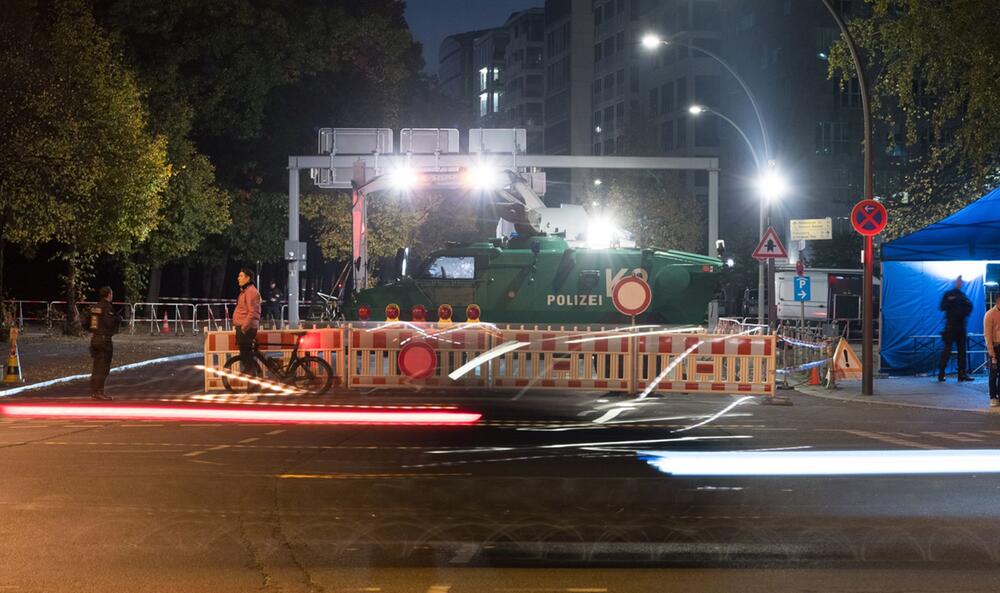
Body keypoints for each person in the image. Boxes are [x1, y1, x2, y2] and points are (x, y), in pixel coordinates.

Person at [939, 276, 974, 382]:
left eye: (961, 281)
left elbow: (969, 307)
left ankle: (961, 374)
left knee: (962, 352)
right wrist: (951, 301)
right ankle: (941, 374)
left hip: (961, 327)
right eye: (959, 281)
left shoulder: (963, 296)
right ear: (955, 282)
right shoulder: (949, 294)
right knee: (947, 350)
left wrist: (963, 313)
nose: (960, 283)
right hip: (951, 327)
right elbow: (942, 306)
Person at [87, 286, 119, 400]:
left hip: (95, 338)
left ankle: (95, 391)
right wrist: (117, 319)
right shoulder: (107, 307)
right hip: (104, 340)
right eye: (111, 294)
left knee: (97, 365)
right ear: (109, 295)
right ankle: (99, 392)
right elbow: (109, 323)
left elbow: (87, 322)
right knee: (103, 367)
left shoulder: (95, 307)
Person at [233, 267, 262, 380]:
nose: (238, 278)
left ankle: (252, 378)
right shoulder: (246, 291)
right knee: (246, 354)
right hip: (244, 326)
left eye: (241, 276)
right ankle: (256, 372)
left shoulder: (250, 291)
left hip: (246, 328)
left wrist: (244, 327)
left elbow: (252, 311)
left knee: (245, 354)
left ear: (248, 278)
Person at [985, 299, 1000, 406]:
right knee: (993, 373)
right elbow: (987, 333)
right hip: (995, 346)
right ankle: (993, 396)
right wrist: (990, 349)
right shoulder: (990, 314)